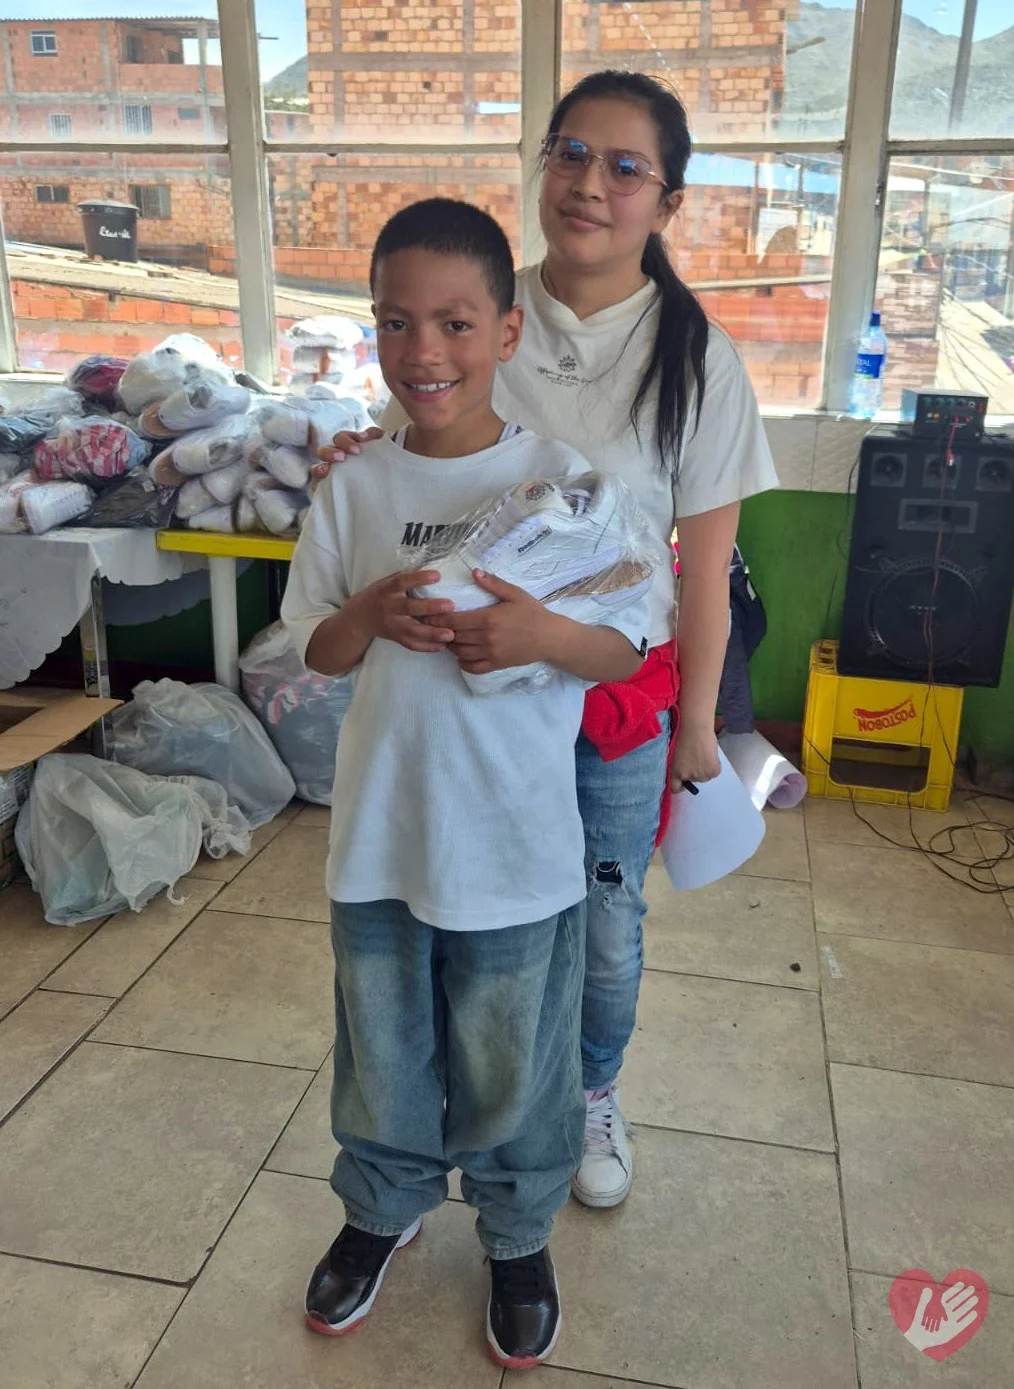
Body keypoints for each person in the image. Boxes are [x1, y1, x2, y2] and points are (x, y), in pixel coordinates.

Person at [316, 71, 779, 1210]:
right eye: (570, 153)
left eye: (625, 167)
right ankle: (427, 1144)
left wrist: (698, 730)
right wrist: (352, 454)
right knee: (457, 923)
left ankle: (589, 1093)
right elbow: (410, 447)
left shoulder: (697, 357)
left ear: (667, 202)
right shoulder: (475, 304)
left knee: (603, 924)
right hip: (470, 702)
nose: (589, 184)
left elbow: (703, 571)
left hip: (611, 695)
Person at [281, 197, 649, 1370]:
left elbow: (626, 645)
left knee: (512, 1058)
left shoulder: (564, 481)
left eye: (453, 323)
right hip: (382, 841)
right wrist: (368, 610)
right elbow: (311, 649)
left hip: (515, 851)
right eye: (395, 323)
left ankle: (517, 1233)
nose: (423, 352)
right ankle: (380, 1209)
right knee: (382, 1047)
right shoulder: (353, 489)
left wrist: (541, 636)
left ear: (505, 332)